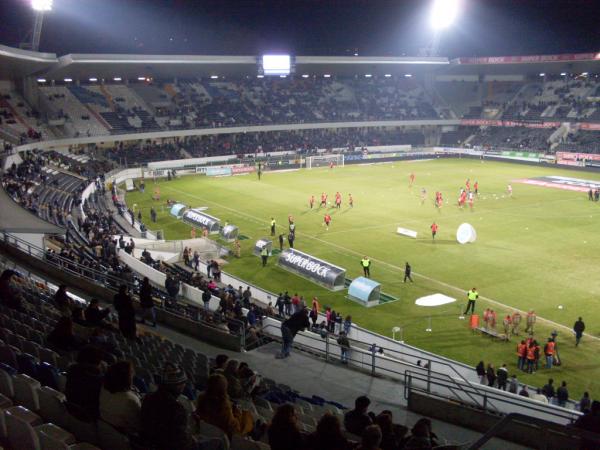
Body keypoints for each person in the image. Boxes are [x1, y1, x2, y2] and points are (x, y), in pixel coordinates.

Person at [141, 363, 198, 450]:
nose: (184, 385)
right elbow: (181, 443)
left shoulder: (148, 398)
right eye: (183, 383)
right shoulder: (177, 409)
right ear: (178, 385)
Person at [195, 373, 254, 439]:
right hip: (223, 438)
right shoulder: (223, 406)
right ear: (224, 388)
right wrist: (238, 413)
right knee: (247, 417)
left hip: (205, 432)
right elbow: (234, 428)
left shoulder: (201, 399)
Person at [99, 361, 142, 435]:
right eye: (131, 373)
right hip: (125, 436)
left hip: (105, 429)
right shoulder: (130, 400)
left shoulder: (104, 387)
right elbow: (137, 424)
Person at [65, 346, 105, 421]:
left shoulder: (72, 370)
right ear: (97, 361)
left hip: (71, 409)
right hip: (89, 416)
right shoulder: (98, 380)